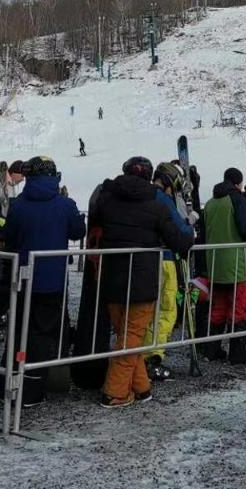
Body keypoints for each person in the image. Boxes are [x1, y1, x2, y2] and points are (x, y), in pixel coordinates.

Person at [90, 156, 191, 406]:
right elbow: (180, 240)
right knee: (130, 337)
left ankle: (141, 387)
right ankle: (115, 392)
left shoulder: (107, 200)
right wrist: (190, 230)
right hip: (142, 281)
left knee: (127, 335)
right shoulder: (157, 206)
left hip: (112, 278)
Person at [1, 156, 85, 407]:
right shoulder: (64, 204)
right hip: (51, 281)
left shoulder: (19, 204)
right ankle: (32, 390)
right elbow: (78, 231)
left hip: (21, 278)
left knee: (17, 331)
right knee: (42, 335)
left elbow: (9, 235)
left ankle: (7, 385)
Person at [200, 168, 246, 365]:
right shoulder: (238, 200)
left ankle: (211, 349)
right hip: (236, 262)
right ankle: (238, 353)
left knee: (219, 307)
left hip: (215, 262)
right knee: (239, 307)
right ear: (239, 183)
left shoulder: (211, 203)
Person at [141, 162, 195, 382]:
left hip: (143, 260)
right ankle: (152, 357)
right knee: (165, 310)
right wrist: (190, 226)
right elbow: (180, 231)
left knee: (146, 310)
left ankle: (142, 355)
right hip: (164, 260)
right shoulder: (162, 199)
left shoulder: (143, 195)